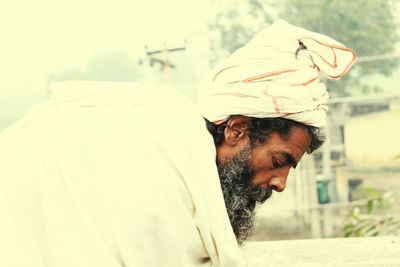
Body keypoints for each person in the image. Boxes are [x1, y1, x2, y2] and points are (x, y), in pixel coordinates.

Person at [0, 20, 355, 267]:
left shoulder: (171, 131)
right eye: (279, 160)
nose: (280, 184)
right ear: (237, 130)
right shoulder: (160, 154)